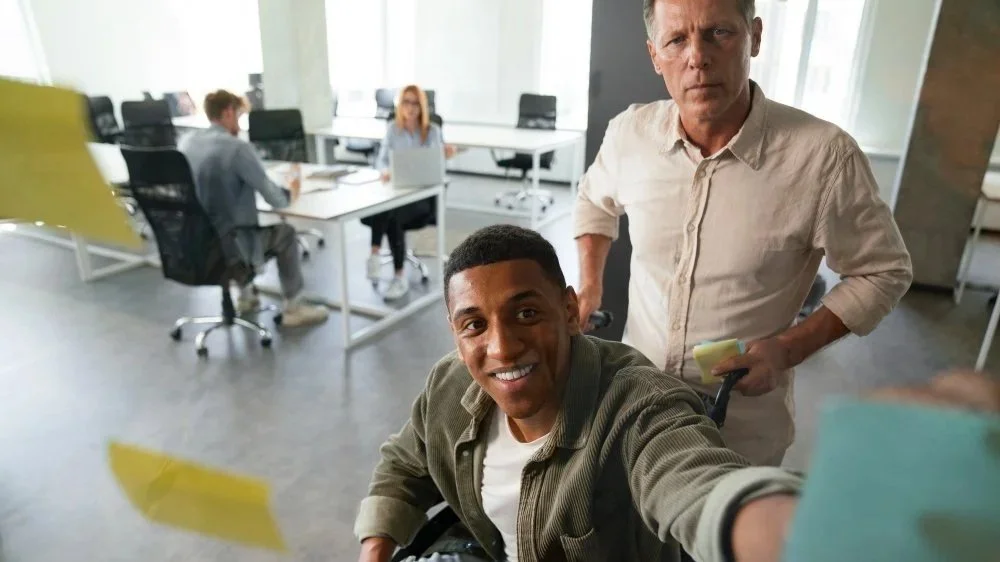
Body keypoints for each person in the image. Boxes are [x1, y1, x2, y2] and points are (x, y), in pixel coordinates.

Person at [354, 225, 999, 562]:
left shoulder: (637, 405)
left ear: (572, 309)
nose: (499, 347)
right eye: (474, 325)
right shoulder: (448, 386)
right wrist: (377, 544)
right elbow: (406, 464)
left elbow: (695, 484)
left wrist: (827, 532)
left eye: (527, 313)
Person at [573, 0, 914, 466]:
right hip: (634, 407)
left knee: (718, 540)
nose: (698, 57)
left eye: (718, 33)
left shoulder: (823, 157)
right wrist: (590, 287)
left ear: (754, 35)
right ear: (655, 55)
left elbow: (883, 271)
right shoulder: (630, 133)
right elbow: (594, 200)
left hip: (738, 433)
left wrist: (787, 349)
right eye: (677, 40)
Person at [179, 89, 329, 328]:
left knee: (229, 221)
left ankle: (247, 297)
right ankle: (294, 307)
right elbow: (275, 200)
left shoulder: (187, 142)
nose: (240, 122)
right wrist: (292, 190)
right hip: (233, 247)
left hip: (196, 243)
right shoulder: (237, 149)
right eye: (238, 115)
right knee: (286, 233)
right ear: (228, 112)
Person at [363, 84, 457, 301]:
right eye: (406, 101)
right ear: (400, 105)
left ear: (422, 106)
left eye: (415, 102)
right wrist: (385, 171)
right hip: (396, 191)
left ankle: (398, 276)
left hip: (423, 198)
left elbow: (438, 164)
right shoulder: (393, 130)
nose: (411, 107)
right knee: (384, 207)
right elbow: (382, 161)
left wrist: (446, 155)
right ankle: (376, 257)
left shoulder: (433, 131)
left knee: (393, 215)